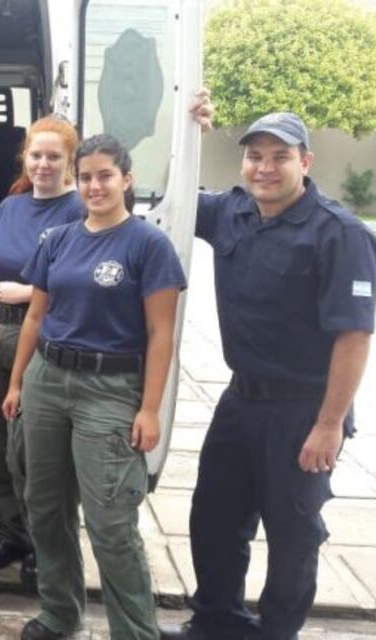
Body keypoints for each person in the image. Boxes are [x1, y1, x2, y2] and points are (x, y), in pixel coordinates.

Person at [161, 113, 375, 640]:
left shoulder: (339, 233)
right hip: (240, 400)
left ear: (305, 162)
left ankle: (277, 632)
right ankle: (216, 622)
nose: (265, 168)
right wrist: (189, 124)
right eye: (255, 156)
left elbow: (354, 336)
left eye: (280, 157)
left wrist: (329, 425)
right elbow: (170, 193)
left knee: (293, 532)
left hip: (305, 408)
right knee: (214, 516)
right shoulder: (230, 212)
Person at [3, 134, 186, 640]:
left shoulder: (148, 244)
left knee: (110, 524)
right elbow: (36, 315)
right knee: (45, 508)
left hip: (110, 388)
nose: (94, 185)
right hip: (47, 381)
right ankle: (61, 613)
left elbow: (161, 334)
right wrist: (18, 381)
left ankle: (135, 632)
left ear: (127, 179)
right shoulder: (60, 239)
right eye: (85, 177)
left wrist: (150, 410)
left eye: (105, 175)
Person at [0, 116, 85, 585]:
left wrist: (32, 293)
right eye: (36, 155)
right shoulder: (10, 206)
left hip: (38, 341)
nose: (43, 164)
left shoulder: (79, 210)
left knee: (34, 452)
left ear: (69, 161)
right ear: (25, 157)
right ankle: (12, 532)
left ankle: (44, 542)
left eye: (54, 156)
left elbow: (83, 286)